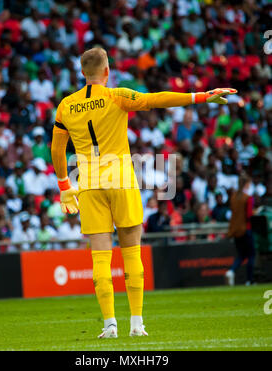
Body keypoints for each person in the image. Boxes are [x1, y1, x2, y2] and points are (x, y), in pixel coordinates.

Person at [51, 47, 236, 339]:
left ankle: (109, 324)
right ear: (107, 71)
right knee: (131, 252)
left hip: (87, 184)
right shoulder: (115, 95)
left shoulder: (65, 105)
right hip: (121, 180)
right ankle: (136, 323)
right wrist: (201, 96)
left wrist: (64, 186)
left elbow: (56, 149)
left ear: (82, 72)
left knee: (100, 258)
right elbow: (156, 99)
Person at [225, 174, 255, 286]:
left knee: (241, 255)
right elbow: (249, 215)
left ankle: (231, 271)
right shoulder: (247, 198)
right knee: (251, 255)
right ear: (247, 184)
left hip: (235, 230)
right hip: (246, 229)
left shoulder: (234, 197)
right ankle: (249, 280)